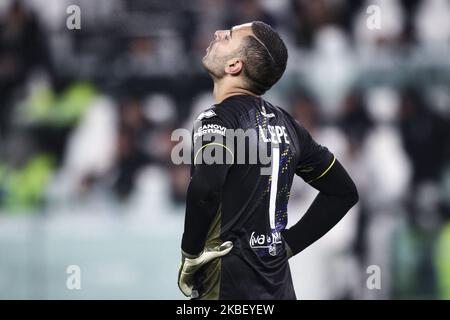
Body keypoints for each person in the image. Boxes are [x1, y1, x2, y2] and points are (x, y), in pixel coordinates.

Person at [177, 21, 359, 300]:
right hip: (279, 289)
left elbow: (206, 189)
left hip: (226, 287)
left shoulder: (217, 119)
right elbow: (343, 192)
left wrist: (190, 253)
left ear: (234, 66)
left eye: (229, 36)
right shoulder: (290, 126)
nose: (219, 33)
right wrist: (287, 245)